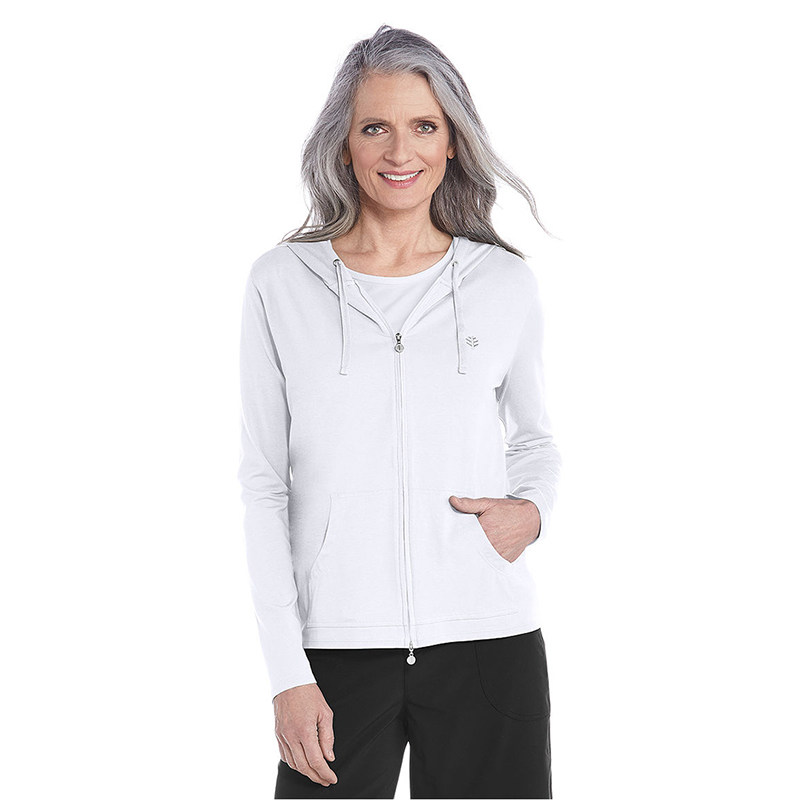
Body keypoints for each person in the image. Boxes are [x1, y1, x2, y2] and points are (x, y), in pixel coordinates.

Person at [237, 24, 562, 799]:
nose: (399, 151)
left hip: (488, 642)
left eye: (423, 126)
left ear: (451, 142)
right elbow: (263, 484)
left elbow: (536, 440)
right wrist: (287, 672)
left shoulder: (502, 283)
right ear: (343, 145)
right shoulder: (282, 282)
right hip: (335, 654)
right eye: (374, 128)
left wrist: (531, 512)